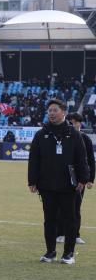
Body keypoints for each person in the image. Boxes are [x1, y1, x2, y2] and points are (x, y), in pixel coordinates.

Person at [28, 99, 89, 264]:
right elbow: (34, 159)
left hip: (69, 186)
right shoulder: (41, 134)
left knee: (69, 220)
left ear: (63, 112)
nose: (51, 113)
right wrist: (32, 181)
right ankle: (50, 252)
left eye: (55, 110)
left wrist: (83, 179)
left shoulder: (73, 134)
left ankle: (68, 254)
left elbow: (81, 158)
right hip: (47, 185)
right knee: (50, 220)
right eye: (49, 111)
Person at [55, 112, 95, 245]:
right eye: (70, 122)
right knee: (61, 206)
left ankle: (75, 234)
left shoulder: (85, 139)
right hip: (63, 177)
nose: (72, 125)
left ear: (79, 123)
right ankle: (60, 233)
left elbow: (91, 161)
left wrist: (90, 179)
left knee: (76, 206)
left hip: (80, 179)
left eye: (75, 122)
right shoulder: (62, 137)